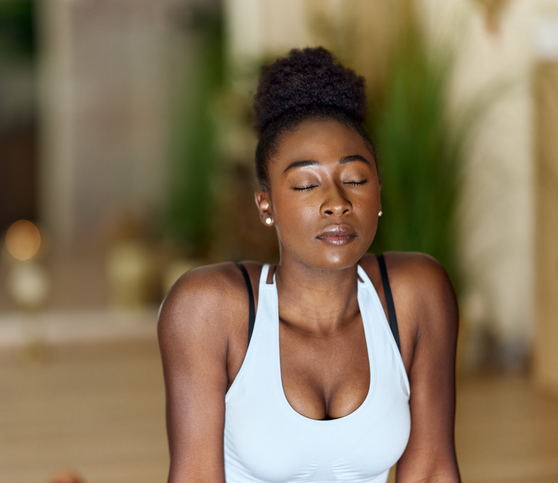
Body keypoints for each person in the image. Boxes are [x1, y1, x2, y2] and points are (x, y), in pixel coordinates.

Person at [157, 47, 460, 482]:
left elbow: (433, 470)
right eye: (305, 184)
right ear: (266, 204)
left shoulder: (416, 294)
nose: (336, 204)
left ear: (378, 193)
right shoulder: (209, 308)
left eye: (355, 180)